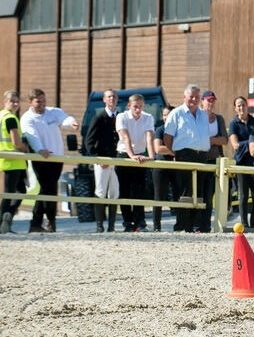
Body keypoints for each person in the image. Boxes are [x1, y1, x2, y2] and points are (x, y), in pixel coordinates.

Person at [20, 88, 79, 233]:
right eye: (38, 102)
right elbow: (31, 135)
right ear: (30, 102)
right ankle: (50, 222)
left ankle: (36, 224)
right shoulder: (27, 118)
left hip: (57, 157)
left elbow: (64, 118)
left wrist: (72, 122)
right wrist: (40, 149)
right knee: (50, 189)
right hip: (41, 158)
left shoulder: (53, 112)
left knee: (47, 189)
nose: (42, 104)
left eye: (44, 101)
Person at [163, 85, 211, 233]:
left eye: (197, 97)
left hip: (201, 156)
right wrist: (175, 153)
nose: (194, 99)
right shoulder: (176, 113)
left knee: (199, 192)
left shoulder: (203, 114)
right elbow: (167, 137)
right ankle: (182, 225)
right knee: (185, 192)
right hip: (185, 154)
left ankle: (195, 225)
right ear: (184, 97)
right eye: (191, 96)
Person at [115, 94, 155, 231]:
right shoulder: (121, 117)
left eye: (140, 107)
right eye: (135, 107)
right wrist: (131, 155)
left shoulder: (148, 117)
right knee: (124, 190)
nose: (138, 110)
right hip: (124, 155)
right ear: (129, 106)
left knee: (139, 189)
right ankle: (127, 223)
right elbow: (125, 137)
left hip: (140, 156)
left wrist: (151, 156)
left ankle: (140, 223)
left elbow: (149, 137)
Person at [84, 89, 120, 232]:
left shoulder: (121, 117)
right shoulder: (98, 117)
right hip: (102, 161)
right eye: (109, 97)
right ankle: (100, 225)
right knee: (100, 191)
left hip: (117, 161)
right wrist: (97, 159)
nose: (112, 99)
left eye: (114, 97)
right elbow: (89, 141)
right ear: (104, 100)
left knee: (114, 192)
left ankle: (111, 226)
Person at [0, 90, 30, 234]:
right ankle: (5, 219)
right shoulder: (10, 118)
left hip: (6, 159)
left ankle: (6, 218)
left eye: (17, 101)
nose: (16, 104)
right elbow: (16, 142)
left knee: (14, 192)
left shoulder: (1, 116)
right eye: (12, 101)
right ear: (5, 101)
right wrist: (25, 147)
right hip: (14, 160)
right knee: (13, 193)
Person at [198, 90, 228, 233]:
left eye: (212, 100)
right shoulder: (196, 116)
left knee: (209, 196)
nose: (210, 103)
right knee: (197, 195)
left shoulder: (219, 119)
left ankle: (205, 226)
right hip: (198, 160)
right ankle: (194, 224)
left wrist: (207, 140)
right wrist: (214, 141)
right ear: (202, 101)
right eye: (208, 100)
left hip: (213, 161)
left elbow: (224, 139)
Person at [227, 96, 254, 222]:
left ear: (247, 106)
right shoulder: (233, 124)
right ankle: (244, 223)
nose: (241, 108)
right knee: (243, 195)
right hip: (241, 162)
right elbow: (235, 145)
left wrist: (245, 144)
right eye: (238, 105)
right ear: (235, 108)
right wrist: (252, 143)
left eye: (243, 105)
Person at [151, 104, 178, 232]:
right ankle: (157, 226)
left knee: (179, 196)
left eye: (169, 114)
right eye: (164, 115)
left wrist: (171, 151)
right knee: (158, 197)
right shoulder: (160, 130)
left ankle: (180, 224)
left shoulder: (180, 130)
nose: (166, 117)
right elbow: (158, 148)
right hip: (161, 166)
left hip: (176, 167)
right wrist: (175, 152)